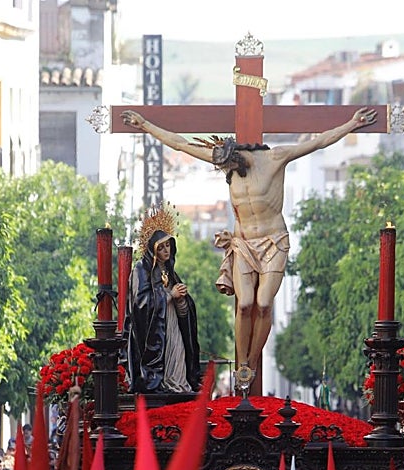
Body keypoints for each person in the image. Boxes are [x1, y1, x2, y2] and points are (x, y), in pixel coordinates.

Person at [121, 107, 378, 382]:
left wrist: (351, 124)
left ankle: (251, 365)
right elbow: (181, 144)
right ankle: (241, 364)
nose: (225, 171)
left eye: (227, 167)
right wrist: (146, 125)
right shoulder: (226, 163)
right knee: (244, 305)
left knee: (264, 303)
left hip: (273, 240)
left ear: (238, 157)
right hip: (243, 244)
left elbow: (317, 142)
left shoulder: (275, 158)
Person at [126, 207, 202, 394]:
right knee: (166, 355)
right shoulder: (140, 270)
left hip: (172, 323)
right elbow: (140, 303)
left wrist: (183, 302)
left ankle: (178, 383)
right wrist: (169, 296)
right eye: (160, 248)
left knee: (179, 352)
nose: (166, 250)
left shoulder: (171, 272)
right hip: (154, 329)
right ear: (153, 250)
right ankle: (164, 383)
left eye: (168, 245)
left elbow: (185, 310)